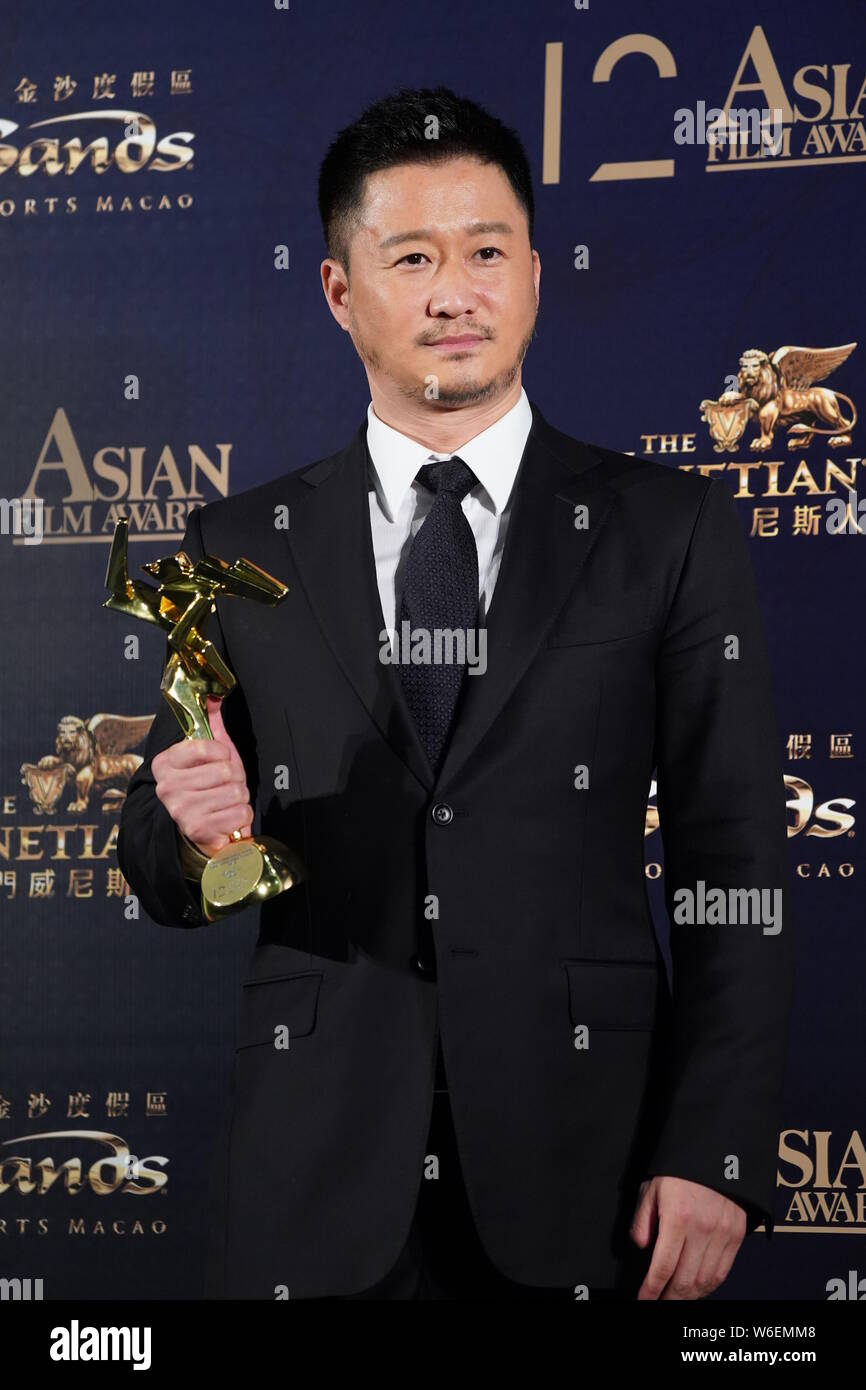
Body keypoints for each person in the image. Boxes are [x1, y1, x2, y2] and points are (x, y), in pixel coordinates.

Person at [116, 86, 795, 1301]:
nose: (453, 294)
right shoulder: (237, 543)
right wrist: (189, 831)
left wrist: (717, 1147)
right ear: (339, 292)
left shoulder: (664, 527)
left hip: (589, 1162)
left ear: (531, 273)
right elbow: (167, 869)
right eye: (411, 258)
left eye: (486, 253)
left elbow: (733, 853)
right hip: (313, 1170)